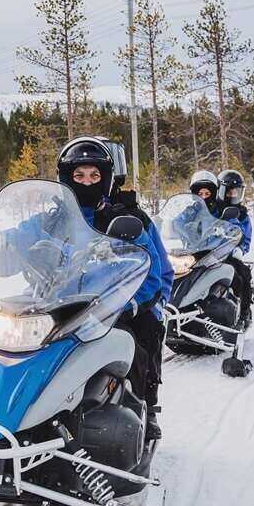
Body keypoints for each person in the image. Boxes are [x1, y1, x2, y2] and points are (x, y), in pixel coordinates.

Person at [58, 137, 174, 439]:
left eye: (94, 175)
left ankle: (144, 406)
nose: (87, 182)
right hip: (59, 304)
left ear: (106, 178)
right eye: (79, 175)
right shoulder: (53, 219)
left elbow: (154, 271)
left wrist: (132, 303)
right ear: (66, 179)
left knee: (140, 336)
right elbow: (18, 239)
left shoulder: (128, 218)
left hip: (113, 305)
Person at [200, 169, 254, 326]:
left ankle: (244, 312)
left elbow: (245, 236)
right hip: (203, 252)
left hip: (227, 254)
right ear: (221, 191)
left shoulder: (241, 214)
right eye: (229, 192)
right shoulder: (212, 208)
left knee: (242, 275)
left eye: (236, 192)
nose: (233, 196)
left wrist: (240, 248)